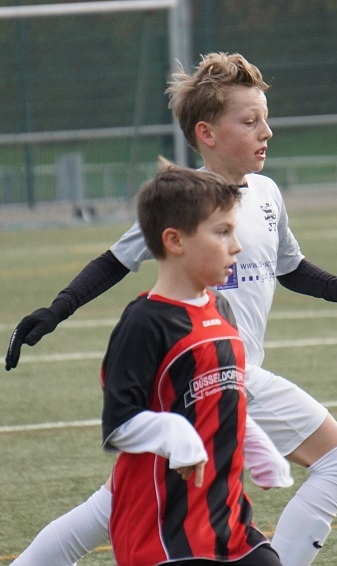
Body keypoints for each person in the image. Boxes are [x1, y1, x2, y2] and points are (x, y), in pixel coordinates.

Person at [7, 52, 337, 566]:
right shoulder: (185, 202)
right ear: (207, 134)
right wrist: (56, 310)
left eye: (265, 119)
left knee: (118, 499)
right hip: (203, 373)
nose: (266, 132)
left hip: (237, 373)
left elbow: (289, 266)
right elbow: (115, 261)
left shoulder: (266, 193)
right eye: (250, 121)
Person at [99, 160, 281, 565]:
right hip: (162, 532)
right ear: (175, 241)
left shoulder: (222, 310)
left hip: (228, 520)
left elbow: (224, 398)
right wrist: (174, 432)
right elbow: (118, 423)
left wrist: (257, 447)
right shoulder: (144, 322)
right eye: (222, 232)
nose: (236, 246)